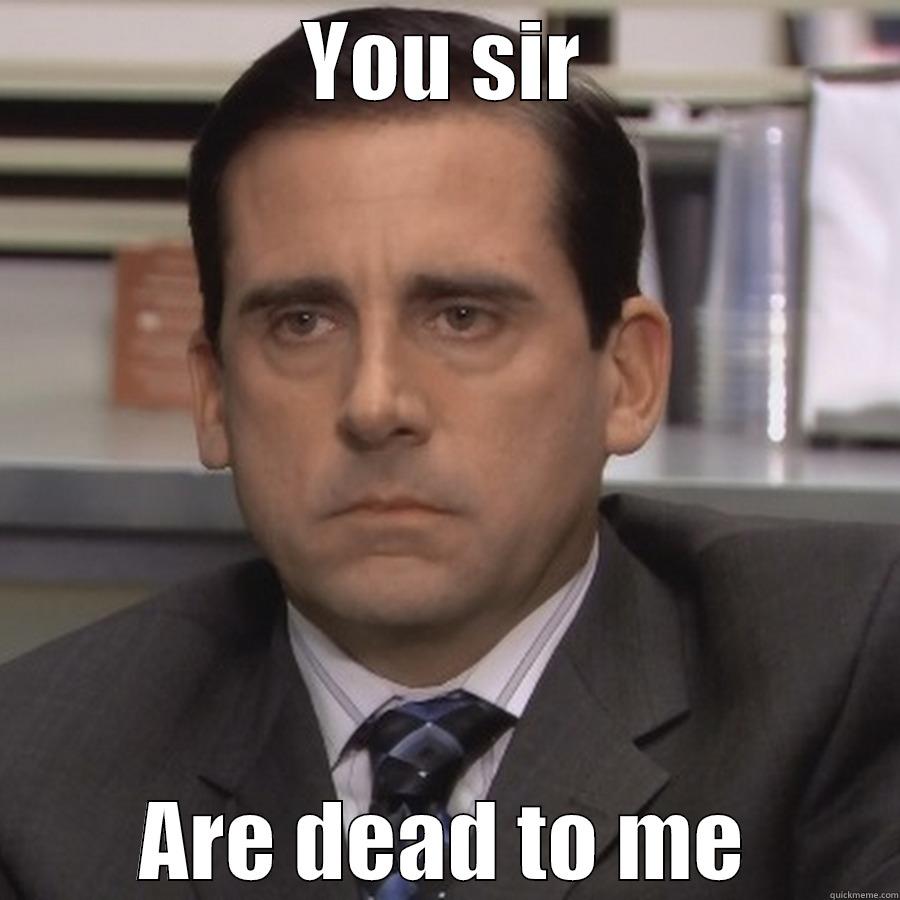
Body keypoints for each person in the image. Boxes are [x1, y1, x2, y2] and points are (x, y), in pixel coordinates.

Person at [1, 7, 899, 899]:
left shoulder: (844, 673)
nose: (375, 404)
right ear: (213, 395)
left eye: (463, 317)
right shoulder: (36, 775)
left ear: (626, 378)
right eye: (302, 323)